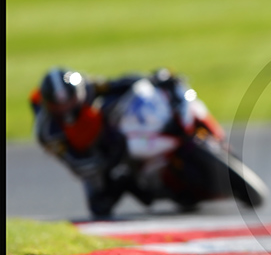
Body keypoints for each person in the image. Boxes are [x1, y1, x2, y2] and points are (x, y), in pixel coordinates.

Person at [29, 67, 182, 217]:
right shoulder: (47, 132)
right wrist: (113, 160)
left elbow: (119, 84)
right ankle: (150, 189)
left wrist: (152, 81)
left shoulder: (89, 87)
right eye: (58, 106)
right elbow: (78, 165)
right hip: (95, 158)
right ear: (48, 104)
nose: (65, 109)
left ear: (79, 93)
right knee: (99, 206)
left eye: (70, 101)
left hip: (110, 135)